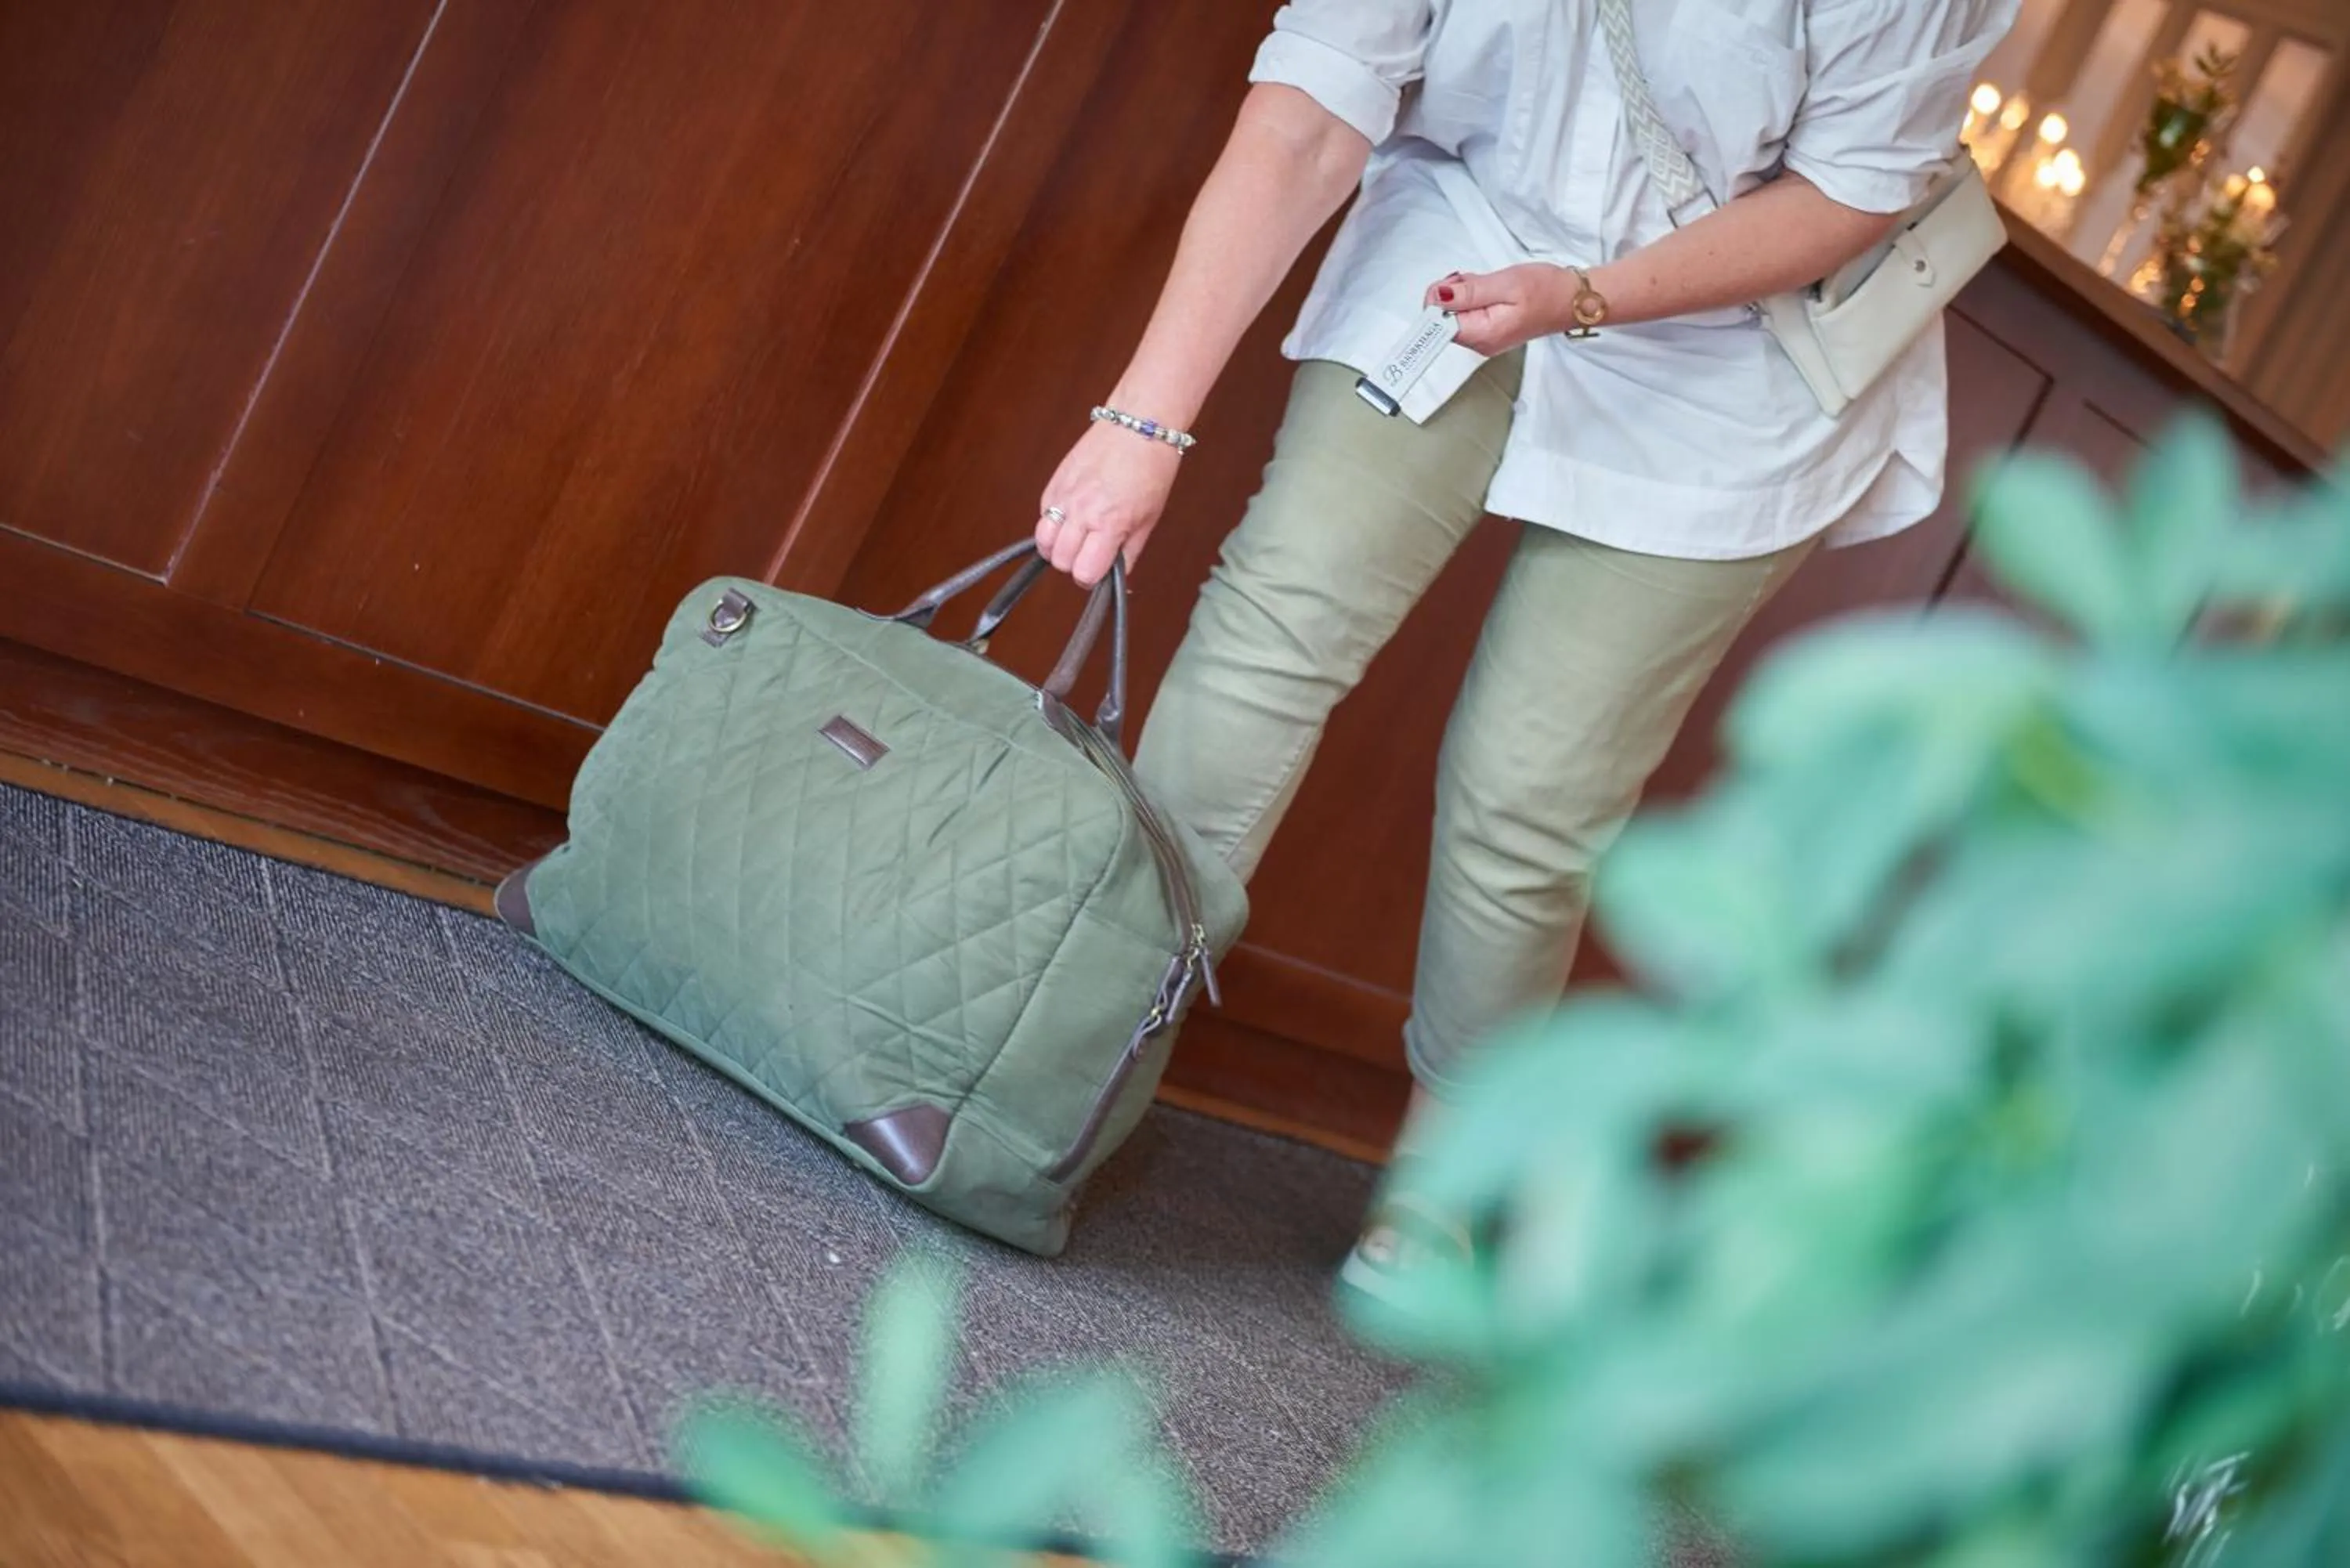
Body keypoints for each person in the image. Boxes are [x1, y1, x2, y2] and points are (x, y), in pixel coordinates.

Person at [1031, 0, 2016, 1300]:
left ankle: (1447, 1183)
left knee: (1530, 795)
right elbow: (1312, 113)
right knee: (1273, 624)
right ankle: (1058, 1057)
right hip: (1463, 234)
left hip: (1731, 353)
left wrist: (1589, 298)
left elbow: (1849, 191)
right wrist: (1144, 421)